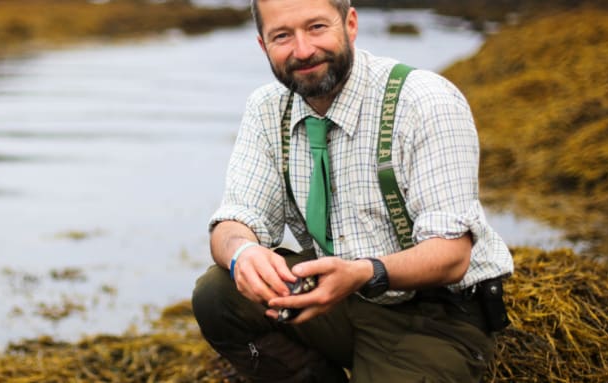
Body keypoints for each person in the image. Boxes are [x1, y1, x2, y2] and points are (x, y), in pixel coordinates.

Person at [191, 0, 514, 382]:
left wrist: (364, 272)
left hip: (435, 318)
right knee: (217, 295)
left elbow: (451, 255)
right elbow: (234, 220)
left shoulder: (424, 101)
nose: (303, 50)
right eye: (282, 36)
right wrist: (242, 253)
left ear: (351, 24)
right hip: (337, 302)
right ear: (263, 45)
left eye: (316, 27)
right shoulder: (266, 109)